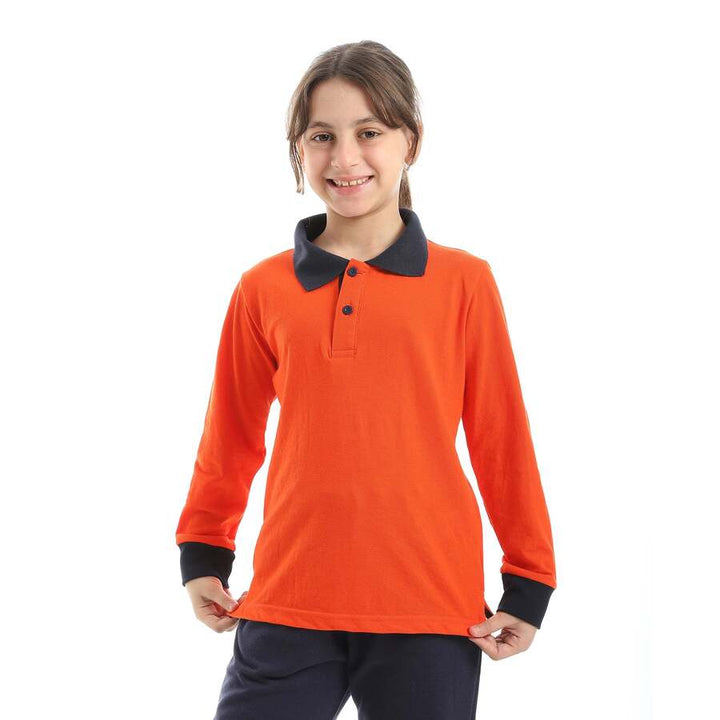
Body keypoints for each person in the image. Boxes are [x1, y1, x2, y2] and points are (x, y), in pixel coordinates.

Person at [175, 40, 557, 720]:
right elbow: (229, 434)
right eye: (321, 136)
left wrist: (528, 580)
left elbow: (501, 438)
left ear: (411, 142)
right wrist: (204, 550)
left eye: (369, 133)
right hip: (288, 599)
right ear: (299, 149)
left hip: (430, 607)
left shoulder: (465, 282)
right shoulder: (262, 288)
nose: (345, 158)